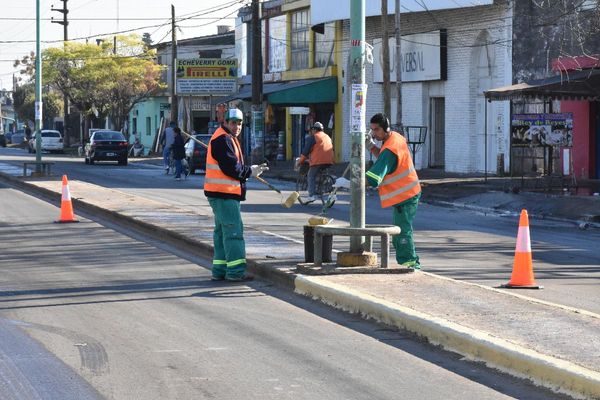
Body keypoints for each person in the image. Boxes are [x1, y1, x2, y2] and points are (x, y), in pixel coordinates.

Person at [335, 113, 422, 270]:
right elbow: (383, 157)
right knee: (400, 231)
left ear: (385, 128)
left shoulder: (390, 148)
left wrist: (349, 184)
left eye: (376, 130)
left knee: (402, 233)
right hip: (407, 192)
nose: (374, 134)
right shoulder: (394, 137)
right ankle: (408, 263)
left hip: (406, 195)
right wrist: (371, 146)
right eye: (372, 130)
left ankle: (411, 264)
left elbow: (374, 178)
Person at [204, 108, 268, 282]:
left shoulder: (225, 138)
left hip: (220, 194)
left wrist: (249, 171)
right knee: (234, 232)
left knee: (221, 232)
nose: (237, 127)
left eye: (239, 123)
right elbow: (231, 168)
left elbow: (229, 166)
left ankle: (220, 270)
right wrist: (250, 172)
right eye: (233, 123)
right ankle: (236, 272)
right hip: (224, 195)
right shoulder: (223, 139)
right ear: (225, 122)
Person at [294, 121, 334, 203]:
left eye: (312, 129)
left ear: (315, 130)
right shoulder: (327, 137)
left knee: (311, 175)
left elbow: (305, 152)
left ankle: (311, 195)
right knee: (323, 173)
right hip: (329, 161)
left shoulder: (313, 137)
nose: (312, 131)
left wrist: (300, 162)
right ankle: (327, 187)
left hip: (318, 161)